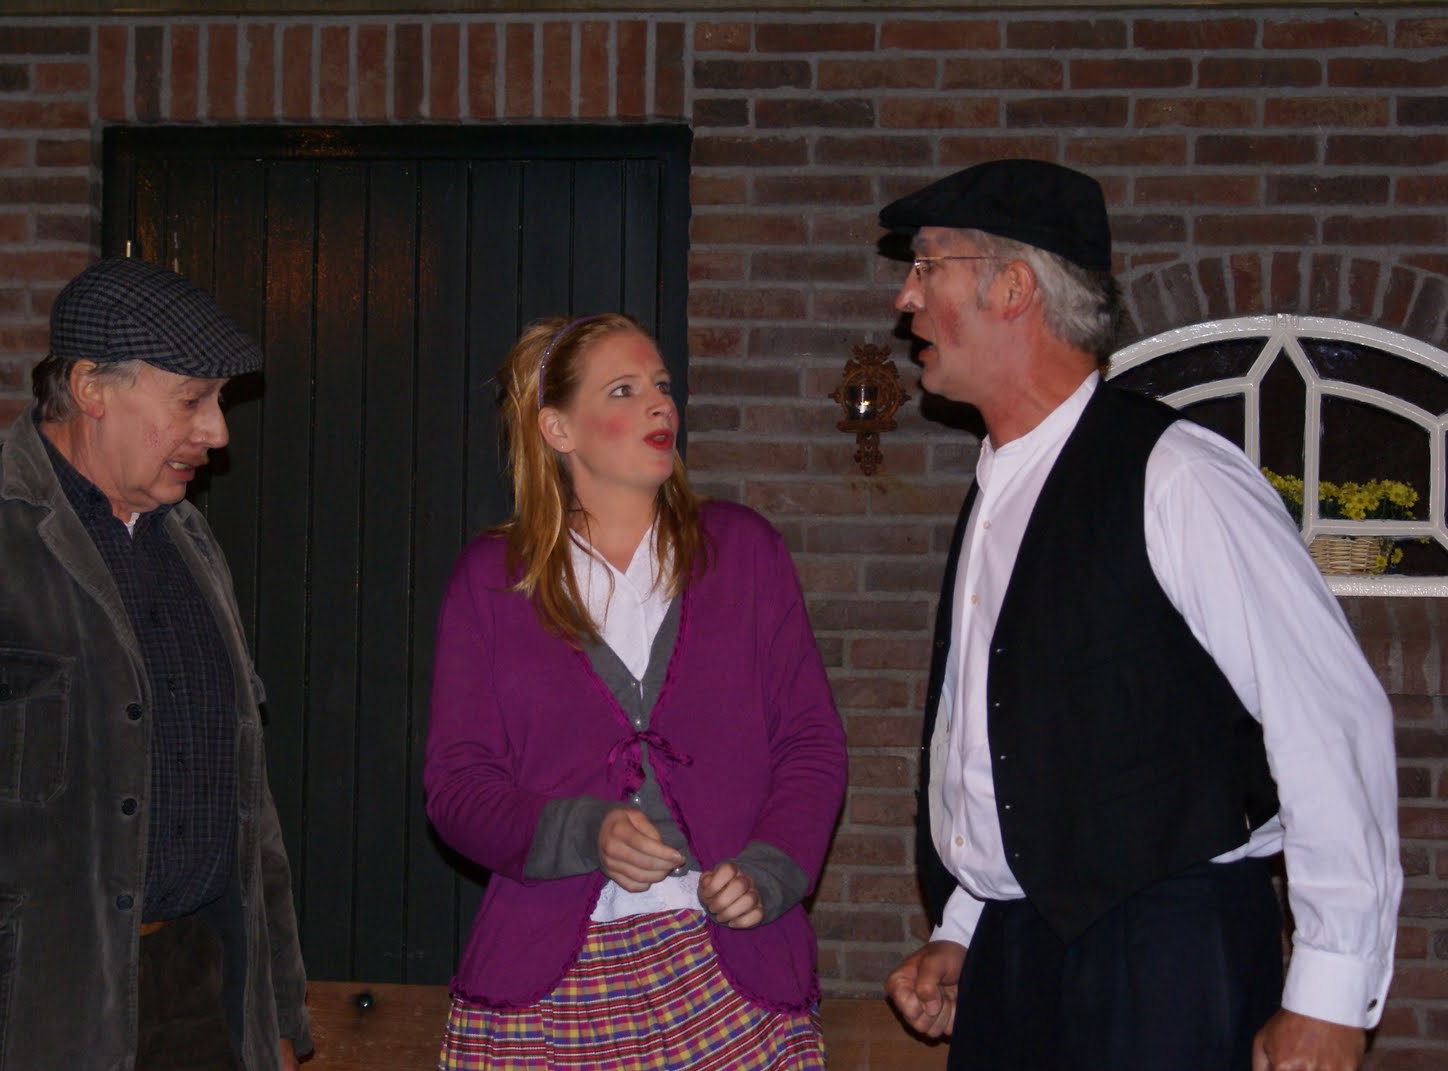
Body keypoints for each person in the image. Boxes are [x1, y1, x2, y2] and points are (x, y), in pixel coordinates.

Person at [877, 160, 1401, 1071]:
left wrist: (1329, 990)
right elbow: (1005, 744)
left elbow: (1327, 716)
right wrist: (966, 920)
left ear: (1013, 287)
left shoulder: (1177, 474)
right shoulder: (1002, 486)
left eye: (928, 264)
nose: (905, 297)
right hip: (1017, 953)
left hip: (1164, 959)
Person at [0, 257, 311, 1069]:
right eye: (192, 400)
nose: (217, 431)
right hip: (23, 1020)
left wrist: (276, 1007)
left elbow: (250, 808)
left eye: (219, 401)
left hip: (199, 1001)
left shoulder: (192, 542)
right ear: (92, 387)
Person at [424, 313, 847, 1070]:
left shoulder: (743, 551)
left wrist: (771, 869)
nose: (659, 404)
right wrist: (584, 831)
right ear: (558, 429)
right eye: (624, 389)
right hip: (549, 982)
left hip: (732, 970)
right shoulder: (492, 578)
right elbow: (457, 788)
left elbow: (811, 742)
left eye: (661, 385)